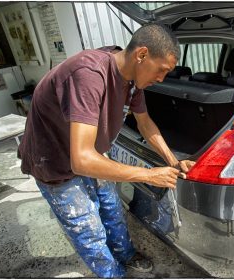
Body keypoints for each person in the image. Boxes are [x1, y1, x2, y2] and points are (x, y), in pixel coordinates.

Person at [17, 23, 195, 278]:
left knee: (112, 210)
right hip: (54, 160)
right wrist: (147, 174)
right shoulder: (89, 74)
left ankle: (126, 255)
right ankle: (112, 274)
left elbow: (144, 123)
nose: (161, 79)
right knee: (89, 232)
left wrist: (173, 161)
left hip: (91, 154)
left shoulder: (133, 80)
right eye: (162, 70)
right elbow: (80, 160)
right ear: (142, 54)